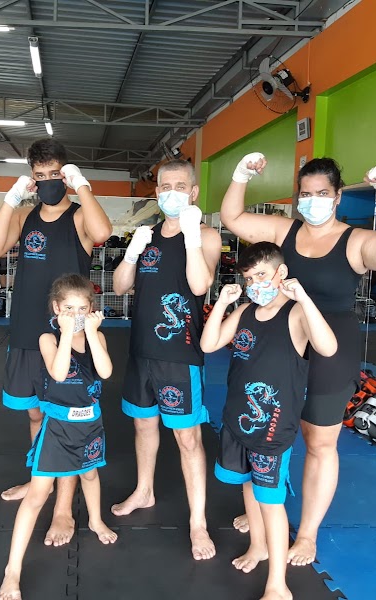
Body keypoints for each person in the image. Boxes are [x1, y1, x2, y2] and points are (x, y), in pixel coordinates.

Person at [220, 154, 376, 565]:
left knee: (319, 440)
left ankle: (308, 533)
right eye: (306, 194)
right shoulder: (286, 230)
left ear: (337, 196)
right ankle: (265, 504)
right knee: (265, 429)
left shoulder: (357, 240)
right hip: (279, 342)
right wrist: (241, 174)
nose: (312, 201)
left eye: (322, 194)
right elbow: (234, 219)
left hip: (332, 347)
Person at [0, 138, 112, 547]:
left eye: (56, 174)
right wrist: (10, 199)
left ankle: (61, 509)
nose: (49, 182)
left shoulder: (78, 218)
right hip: (27, 330)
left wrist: (83, 186)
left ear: (66, 175)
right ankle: (42, 478)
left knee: (64, 417)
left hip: (69, 338)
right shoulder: (24, 217)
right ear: (32, 180)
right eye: (41, 176)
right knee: (36, 415)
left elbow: (104, 232)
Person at [201, 242, 337, 600]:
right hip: (236, 420)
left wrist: (304, 299)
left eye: (261, 275)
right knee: (247, 485)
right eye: (248, 278)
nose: (254, 283)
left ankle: (278, 584)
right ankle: (258, 545)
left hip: (273, 427)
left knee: (270, 501)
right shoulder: (245, 311)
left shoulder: (295, 315)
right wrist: (221, 303)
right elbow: (208, 343)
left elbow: (327, 347)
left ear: (281, 274)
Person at [111, 159, 222, 560]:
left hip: (180, 353)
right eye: (164, 186)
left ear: (193, 193)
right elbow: (121, 287)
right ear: (156, 192)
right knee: (144, 427)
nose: (170, 192)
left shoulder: (206, 236)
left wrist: (191, 238)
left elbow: (200, 285)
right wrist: (131, 253)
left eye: (180, 185)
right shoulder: (146, 236)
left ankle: (198, 522)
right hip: (142, 348)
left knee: (188, 437)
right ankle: (144, 491)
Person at [0, 273, 117, 600]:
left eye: (82, 309)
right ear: (56, 308)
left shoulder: (97, 337)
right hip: (59, 427)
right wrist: (66, 334)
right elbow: (60, 372)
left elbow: (105, 371)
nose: (76, 315)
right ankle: (13, 571)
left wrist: (91, 334)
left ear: (92, 309)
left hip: (91, 423)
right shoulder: (48, 339)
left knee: (90, 475)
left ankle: (95, 519)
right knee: (39, 493)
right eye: (69, 309)